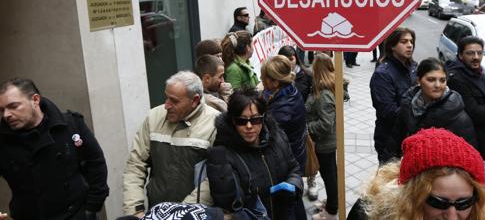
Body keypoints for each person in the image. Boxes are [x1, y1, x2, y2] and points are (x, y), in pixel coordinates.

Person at [0, 78, 109, 220]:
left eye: (13, 106)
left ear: (35, 100)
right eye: (2, 110)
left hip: (75, 214)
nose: (6, 115)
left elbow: (96, 163)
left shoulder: (69, 125)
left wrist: (91, 208)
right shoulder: (3, 141)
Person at [123, 71, 219, 216]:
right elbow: (135, 165)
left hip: (195, 215)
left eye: (174, 101)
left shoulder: (215, 124)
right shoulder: (154, 117)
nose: (166, 105)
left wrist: (180, 214)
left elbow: (214, 178)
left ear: (195, 100)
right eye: (166, 98)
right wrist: (135, 210)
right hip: (157, 213)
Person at [347, 128, 485, 220]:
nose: (452, 217)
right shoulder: (366, 215)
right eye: (438, 203)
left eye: (464, 203)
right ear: (411, 195)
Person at [206, 89, 303, 220]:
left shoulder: (278, 136)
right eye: (241, 121)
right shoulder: (225, 154)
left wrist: (293, 185)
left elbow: (294, 168)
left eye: (255, 120)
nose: (249, 126)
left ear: (263, 117)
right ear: (233, 121)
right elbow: (231, 206)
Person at [387, 57, 477, 160]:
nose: (438, 85)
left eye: (442, 80)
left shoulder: (459, 118)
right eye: (431, 80)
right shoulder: (408, 106)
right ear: (418, 80)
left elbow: (469, 157)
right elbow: (395, 140)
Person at [260, 55, 308, 219]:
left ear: (275, 82)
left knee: (288, 203)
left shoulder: (282, 108)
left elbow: (265, 136)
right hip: (296, 155)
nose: (261, 80)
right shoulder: (289, 92)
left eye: (263, 78)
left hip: (287, 162)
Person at [369, 27, 418, 164]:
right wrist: (419, 109)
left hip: (413, 138)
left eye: (411, 41)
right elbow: (388, 112)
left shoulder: (414, 67)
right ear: (392, 46)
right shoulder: (382, 74)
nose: (409, 45)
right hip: (390, 141)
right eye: (404, 41)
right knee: (390, 183)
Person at [306, 54, 339, 220]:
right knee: (331, 173)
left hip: (324, 143)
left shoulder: (324, 93)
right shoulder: (325, 87)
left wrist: (307, 127)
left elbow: (326, 124)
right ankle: (333, 201)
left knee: (329, 176)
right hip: (327, 142)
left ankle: (332, 211)